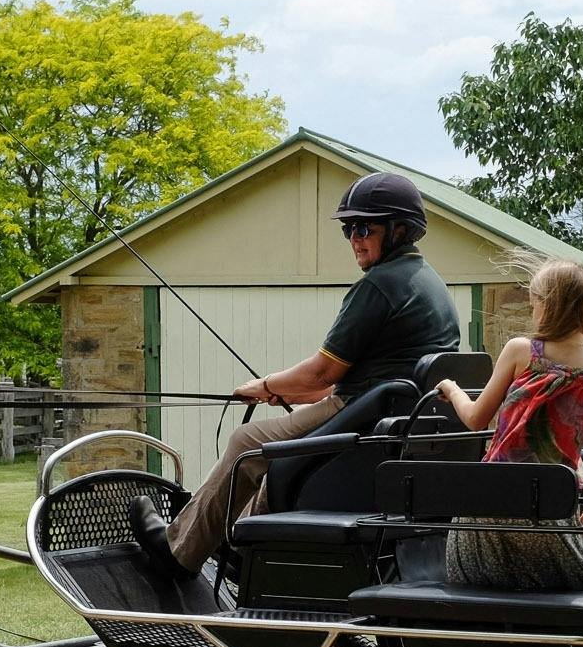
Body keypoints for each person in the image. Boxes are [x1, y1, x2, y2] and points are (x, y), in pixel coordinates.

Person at [131, 171, 459, 576]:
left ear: (401, 230)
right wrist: (285, 393)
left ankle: (178, 552)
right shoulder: (428, 282)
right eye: (348, 229)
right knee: (281, 459)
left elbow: (322, 374)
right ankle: (241, 546)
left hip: (365, 415)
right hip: (382, 416)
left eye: (364, 228)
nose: (354, 238)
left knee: (249, 444)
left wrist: (265, 385)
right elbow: (345, 378)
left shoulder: (379, 286)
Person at [434, 259, 583, 589]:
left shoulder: (519, 352)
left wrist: (452, 389)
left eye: (534, 303)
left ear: (547, 305)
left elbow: (474, 418)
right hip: (549, 515)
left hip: (486, 511)